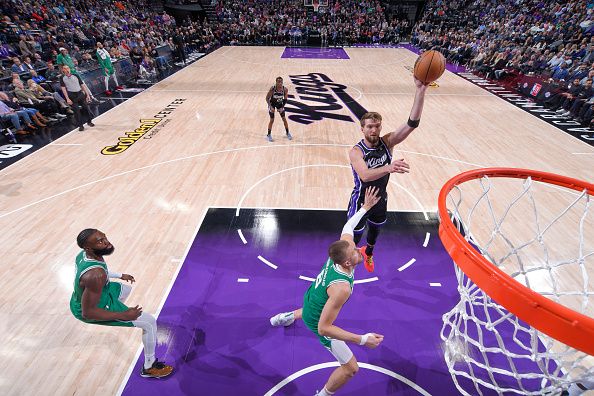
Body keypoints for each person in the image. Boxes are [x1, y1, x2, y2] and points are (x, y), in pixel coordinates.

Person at [270, 186, 384, 396]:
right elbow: (324, 328)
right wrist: (362, 339)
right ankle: (322, 395)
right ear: (348, 262)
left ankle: (286, 317)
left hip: (313, 294)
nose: (359, 250)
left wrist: (365, 208)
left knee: (312, 306)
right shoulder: (342, 288)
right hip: (317, 319)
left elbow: (349, 225)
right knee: (351, 369)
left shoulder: (342, 252)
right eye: (356, 253)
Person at [347, 77, 428, 272]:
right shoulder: (356, 151)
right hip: (360, 199)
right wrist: (388, 167)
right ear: (362, 128)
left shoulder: (388, 142)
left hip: (380, 197)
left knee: (375, 230)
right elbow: (365, 176)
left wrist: (420, 90)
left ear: (380, 127)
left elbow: (412, 124)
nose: (374, 130)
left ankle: (369, 254)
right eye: (369, 127)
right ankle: (347, 264)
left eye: (377, 126)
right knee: (354, 235)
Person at [70, 229, 174, 378]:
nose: (106, 242)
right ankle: (149, 367)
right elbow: (88, 312)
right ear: (88, 247)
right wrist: (123, 314)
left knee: (124, 288)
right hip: (93, 309)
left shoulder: (84, 256)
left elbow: (101, 272)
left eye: (104, 237)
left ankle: (118, 314)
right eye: (100, 241)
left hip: (89, 297)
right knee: (149, 322)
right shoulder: (95, 276)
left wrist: (120, 275)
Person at [59, 64, 95, 131]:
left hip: (80, 93)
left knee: (86, 108)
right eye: (65, 68)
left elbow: (82, 85)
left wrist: (87, 95)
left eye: (67, 68)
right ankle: (80, 126)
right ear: (63, 70)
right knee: (76, 111)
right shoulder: (62, 78)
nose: (66, 69)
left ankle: (89, 121)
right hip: (71, 95)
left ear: (69, 69)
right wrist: (67, 98)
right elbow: (63, 89)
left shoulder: (75, 75)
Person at [265, 76, 291, 142]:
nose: (280, 83)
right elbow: (267, 98)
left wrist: (282, 107)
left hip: (279, 104)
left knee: (284, 119)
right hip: (272, 104)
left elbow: (285, 99)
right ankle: (268, 135)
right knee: (272, 120)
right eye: (278, 82)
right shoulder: (273, 89)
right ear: (276, 82)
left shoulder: (285, 89)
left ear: (282, 82)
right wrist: (270, 106)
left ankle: (287, 132)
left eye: (281, 82)